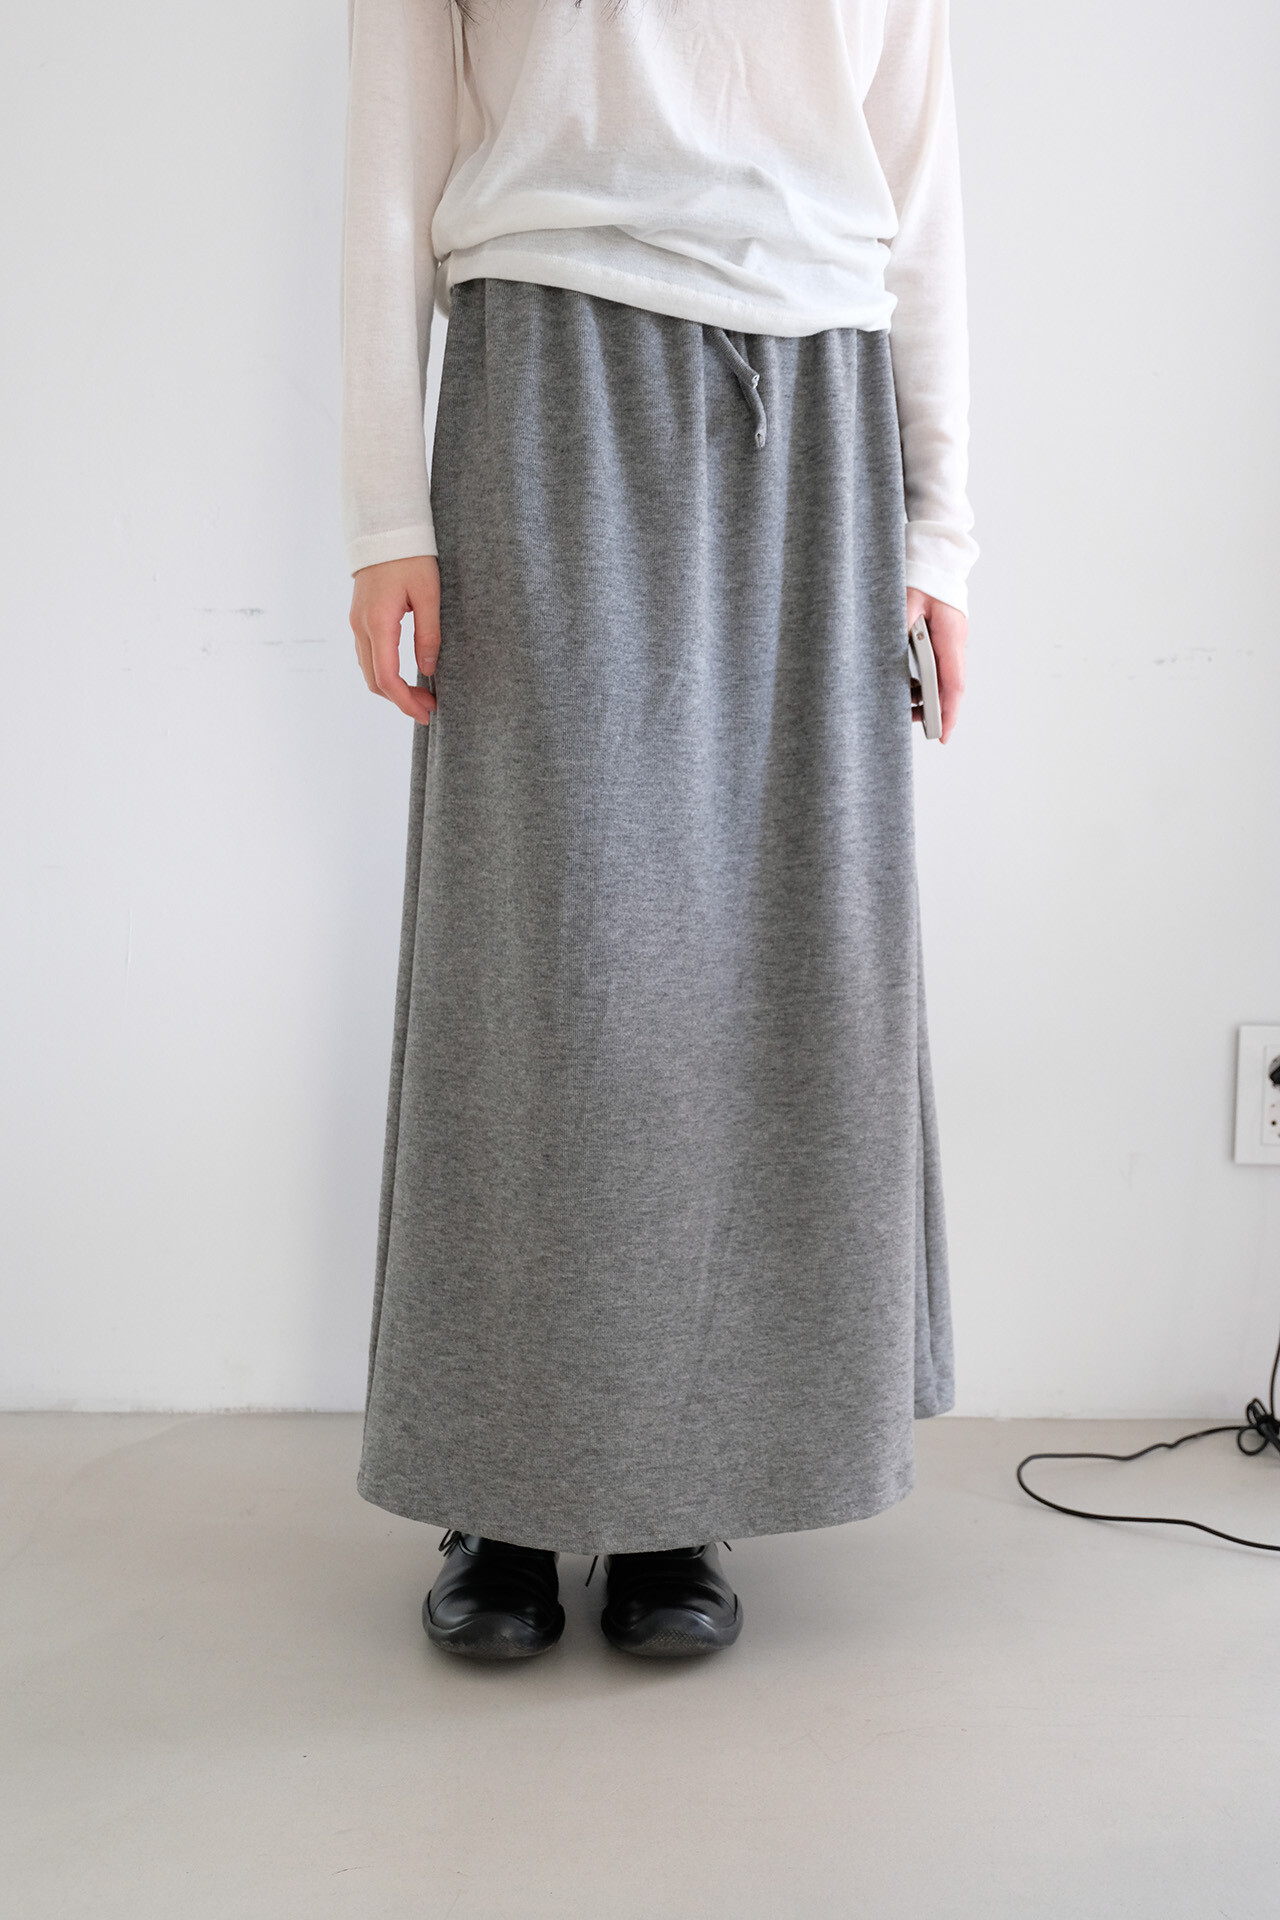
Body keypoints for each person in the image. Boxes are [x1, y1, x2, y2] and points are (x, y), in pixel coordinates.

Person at [341, 0, 977, 1662]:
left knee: (768, 954)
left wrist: (942, 529)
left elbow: (918, 171)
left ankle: (680, 1490)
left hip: (817, 393)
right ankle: (505, 1486)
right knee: (541, 956)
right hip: (548, 361)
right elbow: (391, 150)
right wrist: (385, 508)